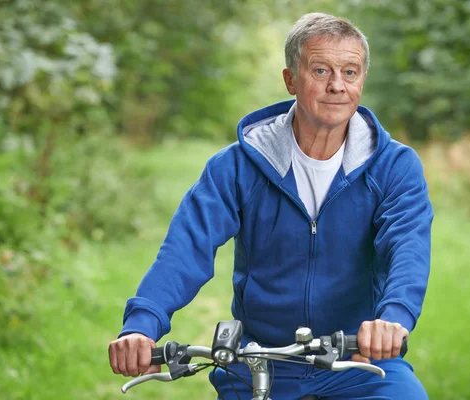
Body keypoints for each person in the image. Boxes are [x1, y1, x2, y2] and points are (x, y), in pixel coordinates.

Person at [109, 12, 433, 399]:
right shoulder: (237, 167)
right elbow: (186, 248)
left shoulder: (394, 166)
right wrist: (142, 326)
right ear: (291, 80)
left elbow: (407, 247)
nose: (337, 86)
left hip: (360, 359)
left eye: (350, 72)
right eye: (320, 70)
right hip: (261, 360)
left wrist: (392, 320)